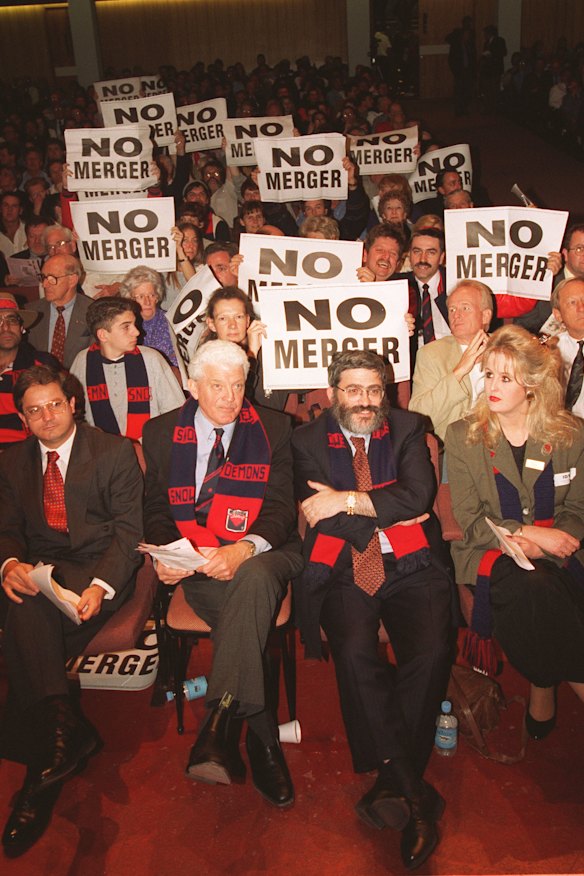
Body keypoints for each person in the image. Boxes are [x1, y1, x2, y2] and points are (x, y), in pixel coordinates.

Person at [292, 349, 452, 871]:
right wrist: (384, 510)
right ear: (334, 392)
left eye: (373, 390)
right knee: (356, 651)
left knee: (431, 650)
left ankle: (389, 773)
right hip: (341, 566)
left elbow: (421, 494)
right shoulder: (306, 440)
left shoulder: (408, 428)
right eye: (353, 390)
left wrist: (347, 500)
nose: (364, 401)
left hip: (413, 563)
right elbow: (319, 516)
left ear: (386, 392)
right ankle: (414, 792)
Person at [142, 340, 303, 807]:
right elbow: (155, 509)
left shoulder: (274, 428)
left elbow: (278, 511)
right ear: (192, 387)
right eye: (217, 386)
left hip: (267, 551)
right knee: (245, 606)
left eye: (238, 385)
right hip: (198, 560)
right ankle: (262, 739)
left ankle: (220, 725)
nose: (231, 398)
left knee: (251, 577)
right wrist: (167, 554)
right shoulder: (159, 432)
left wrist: (242, 549)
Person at [0, 364, 143, 856]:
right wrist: (11, 563)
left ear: (73, 403)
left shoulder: (113, 451)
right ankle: (61, 741)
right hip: (41, 565)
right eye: (34, 411)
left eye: (54, 405)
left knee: (23, 615)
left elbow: (128, 533)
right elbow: (6, 528)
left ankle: (40, 774)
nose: (46, 418)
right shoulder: (11, 461)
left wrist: (103, 586)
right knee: (24, 597)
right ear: (22, 417)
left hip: (97, 569)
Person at [445, 325, 584, 742]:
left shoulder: (571, 434)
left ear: (533, 384)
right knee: (536, 588)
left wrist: (552, 541)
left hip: (562, 549)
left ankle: (542, 683)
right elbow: (470, 520)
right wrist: (530, 535)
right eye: (488, 375)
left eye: (505, 378)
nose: (491, 386)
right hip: (491, 551)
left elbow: (578, 509)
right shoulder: (463, 435)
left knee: (542, 587)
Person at [70, 298, 185, 442]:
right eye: (126, 327)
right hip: (102, 451)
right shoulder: (83, 361)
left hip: (149, 448)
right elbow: (74, 416)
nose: (136, 332)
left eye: (135, 324)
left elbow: (176, 413)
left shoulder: (151, 359)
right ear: (103, 335)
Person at [410, 281, 493, 441]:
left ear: (485, 315)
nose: (456, 315)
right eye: (452, 309)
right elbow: (419, 418)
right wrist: (458, 372)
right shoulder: (432, 354)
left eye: (465, 308)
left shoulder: (507, 350)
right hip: (457, 447)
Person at [200, 285, 287, 411]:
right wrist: (252, 353)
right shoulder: (206, 361)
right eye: (223, 318)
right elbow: (240, 403)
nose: (232, 325)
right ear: (211, 324)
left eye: (238, 317)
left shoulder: (270, 352)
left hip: (269, 425)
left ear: (247, 321)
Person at [0, 293, 60, 448]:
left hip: (28, 455)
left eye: (12, 320)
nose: (5, 328)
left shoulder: (41, 365)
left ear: (22, 328)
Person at [26, 253, 92, 369]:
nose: (44, 284)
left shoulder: (92, 311)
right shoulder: (30, 312)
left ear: (72, 280)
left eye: (52, 279)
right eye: (43, 277)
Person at [119, 265, 183, 373]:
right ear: (129, 298)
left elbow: (178, 364)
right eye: (141, 296)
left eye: (151, 295)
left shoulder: (171, 321)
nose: (147, 302)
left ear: (157, 297)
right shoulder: (122, 325)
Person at [551, 277, 584, 417]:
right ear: (558, 315)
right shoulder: (551, 350)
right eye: (572, 303)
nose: (581, 308)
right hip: (559, 429)